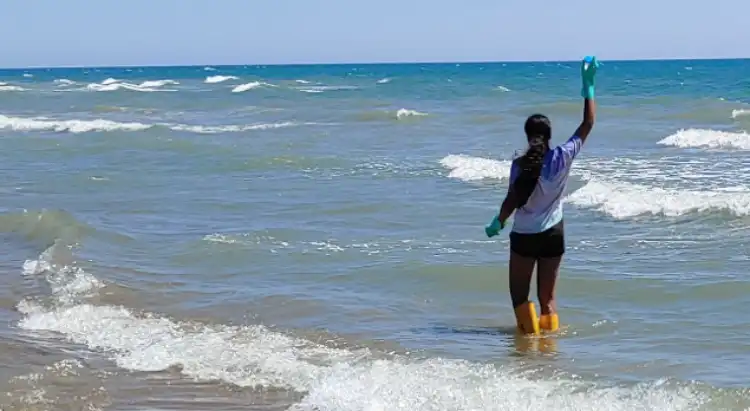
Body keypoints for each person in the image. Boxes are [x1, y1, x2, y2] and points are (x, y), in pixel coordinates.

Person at [486, 56, 598, 336]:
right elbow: (587, 123)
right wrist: (589, 87)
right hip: (553, 234)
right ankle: (548, 355)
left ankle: (527, 352)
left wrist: (498, 222)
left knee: (520, 298)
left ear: (527, 136)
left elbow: (512, 199)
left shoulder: (518, 165)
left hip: (524, 235)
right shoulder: (562, 156)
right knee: (547, 300)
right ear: (549, 135)